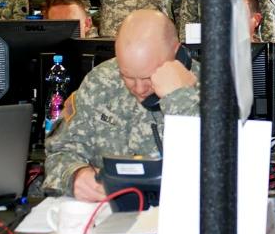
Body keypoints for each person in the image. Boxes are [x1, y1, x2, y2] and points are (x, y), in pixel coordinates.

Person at [44, 10, 200, 201]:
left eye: (148, 77)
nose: (140, 89)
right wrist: (73, 175)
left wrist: (180, 99)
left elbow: (221, 170)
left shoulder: (212, 88)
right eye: (128, 76)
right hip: (109, 213)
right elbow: (60, 151)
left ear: (176, 53)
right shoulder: (100, 82)